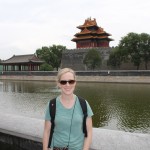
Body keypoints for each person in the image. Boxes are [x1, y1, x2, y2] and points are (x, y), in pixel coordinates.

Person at [43, 68, 93, 150]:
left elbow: (89, 132)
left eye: (71, 81)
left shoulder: (84, 104)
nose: (67, 85)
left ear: (75, 83)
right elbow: (46, 131)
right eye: (63, 82)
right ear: (59, 84)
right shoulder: (52, 105)